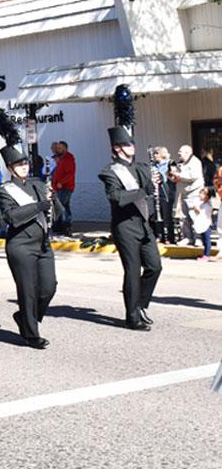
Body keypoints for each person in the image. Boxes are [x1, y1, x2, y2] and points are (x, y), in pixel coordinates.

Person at [0, 110, 60, 349]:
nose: (23, 166)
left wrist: (53, 200)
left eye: (24, 162)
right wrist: (39, 205)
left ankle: (25, 317)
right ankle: (31, 333)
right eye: (18, 164)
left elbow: (56, 213)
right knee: (28, 292)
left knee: (48, 288)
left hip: (43, 243)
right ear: (10, 167)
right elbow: (11, 216)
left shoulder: (38, 184)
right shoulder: (4, 190)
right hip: (20, 246)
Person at [97, 86, 161, 331]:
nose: (132, 146)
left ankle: (141, 304)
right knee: (132, 271)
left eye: (132, 142)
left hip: (144, 224)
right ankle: (131, 316)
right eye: (127, 144)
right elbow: (117, 198)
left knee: (155, 266)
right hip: (125, 226)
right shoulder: (109, 171)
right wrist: (144, 190)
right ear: (117, 148)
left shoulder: (142, 167)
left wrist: (156, 180)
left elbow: (150, 189)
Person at [174, 144, 204, 246]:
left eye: (180, 152)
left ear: (187, 152)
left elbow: (193, 176)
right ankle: (187, 237)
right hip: (184, 193)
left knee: (195, 216)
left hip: (194, 193)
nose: (178, 153)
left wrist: (178, 175)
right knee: (184, 217)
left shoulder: (195, 162)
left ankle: (198, 238)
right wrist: (171, 175)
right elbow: (177, 177)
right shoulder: (180, 163)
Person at [151, 147, 176, 244]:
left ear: (161, 154)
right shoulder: (154, 165)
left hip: (166, 192)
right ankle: (159, 235)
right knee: (158, 215)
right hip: (157, 192)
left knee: (167, 216)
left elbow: (172, 176)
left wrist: (162, 177)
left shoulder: (170, 163)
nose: (155, 156)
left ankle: (170, 237)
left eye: (156, 154)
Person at [50, 141, 76, 236]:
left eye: (60, 148)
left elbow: (70, 173)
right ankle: (62, 227)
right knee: (63, 206)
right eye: (58, 148)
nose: (58, 150)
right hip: (59, 187)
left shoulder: (68, 159)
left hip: (65, 187)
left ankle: (66, 227)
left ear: (65, 148)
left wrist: (61, 182)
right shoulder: (61, 159)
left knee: (62, 207)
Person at [192, 188, 214, 262]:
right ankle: (205, 254)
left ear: (207, 196)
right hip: (202, 224)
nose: (200, 195)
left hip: (206, 225)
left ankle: (207, 255)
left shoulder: (208, 205)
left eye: (202, 194)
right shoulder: (202, 204)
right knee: (204, 240)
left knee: (207, 240)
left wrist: (198, 210)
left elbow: (204, 214)